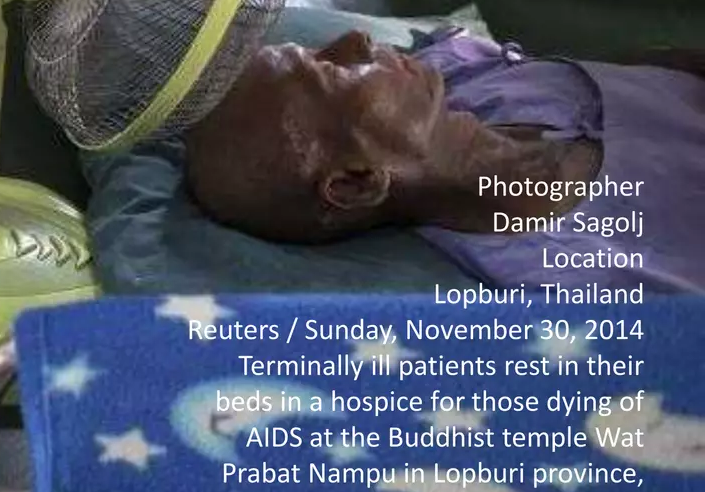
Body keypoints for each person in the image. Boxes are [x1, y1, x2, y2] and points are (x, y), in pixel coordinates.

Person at [184, 27, 705, 294]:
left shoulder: (468, 78)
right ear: (357, 182)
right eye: (331, 69)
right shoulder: (580, 276)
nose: (357, 39)